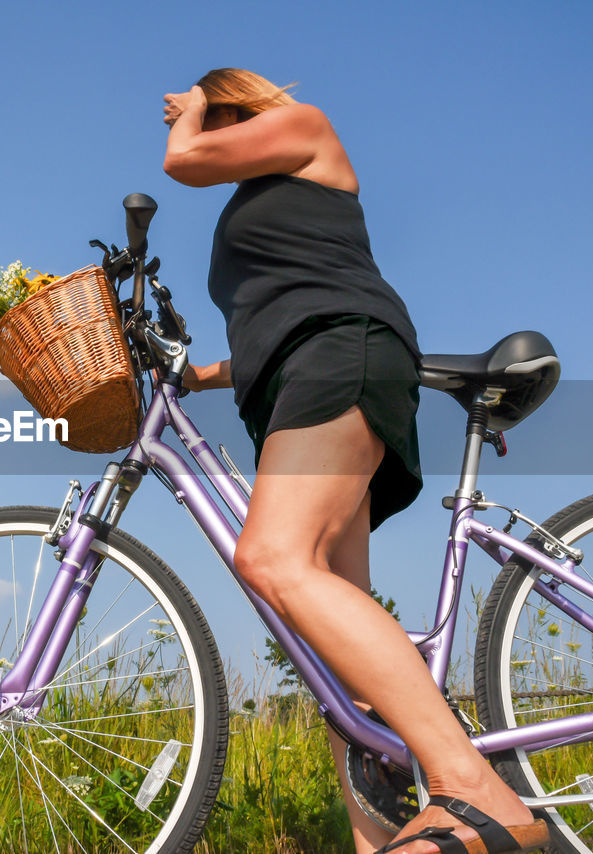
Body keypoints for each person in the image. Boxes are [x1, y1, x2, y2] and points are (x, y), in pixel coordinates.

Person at [163, 68, 549, 854]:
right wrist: (197, 374)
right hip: (305, 369)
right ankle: (382, 839)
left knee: (272, 557)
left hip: (340, 356)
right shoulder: (263, 201)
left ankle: (471, 786)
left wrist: (191, 111)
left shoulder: (306, 126)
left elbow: (182, 164)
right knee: (333, 652)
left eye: (218, 111)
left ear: (234, 104)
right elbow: (279, 313)